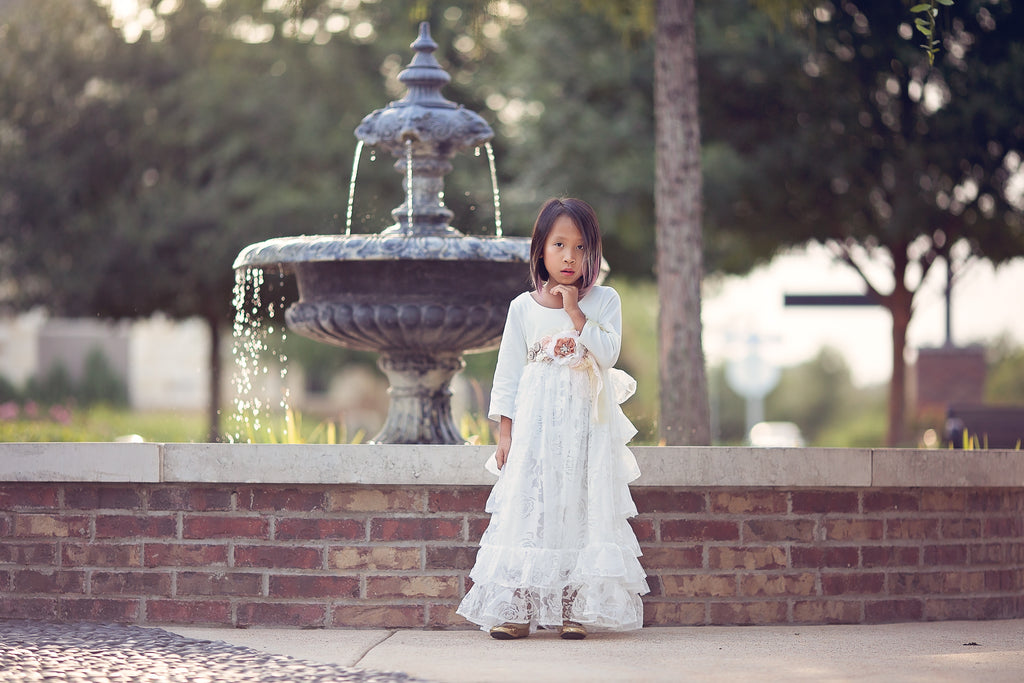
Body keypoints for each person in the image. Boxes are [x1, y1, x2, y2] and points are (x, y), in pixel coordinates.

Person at [456, 197, 649, 640]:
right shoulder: (522, 308)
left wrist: (574, 311)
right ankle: (518, 606)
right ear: (540, 249)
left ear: (592, 253)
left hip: (586, 431)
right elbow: (507, 375)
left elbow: (608, 354)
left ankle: (573, 607)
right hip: (537, 432)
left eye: (581, 248)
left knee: (579, 507)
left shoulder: (604, 301)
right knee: (534, 507)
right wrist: (505, 433)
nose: (569, 257)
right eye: (559, 245)